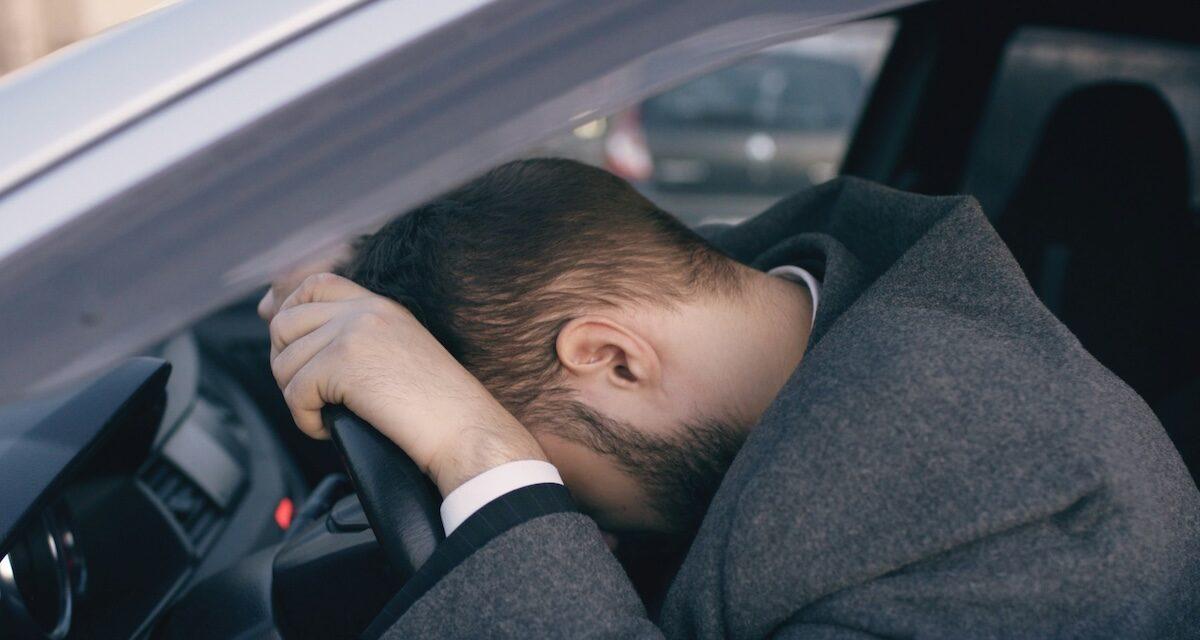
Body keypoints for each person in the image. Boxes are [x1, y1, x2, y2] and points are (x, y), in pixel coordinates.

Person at [259, 159, 1200, 638]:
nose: (583, 526)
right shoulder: (787, 312)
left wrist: (483, 456)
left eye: (562, 487)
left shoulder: (1016, 500)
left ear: (614, 359)